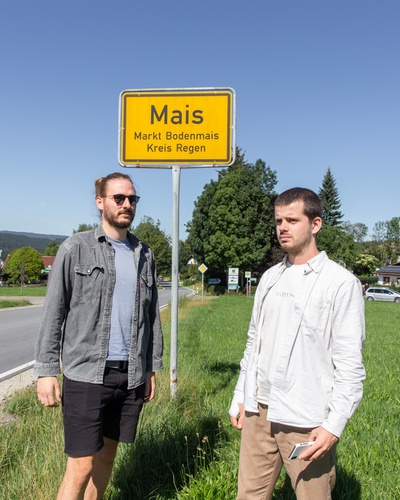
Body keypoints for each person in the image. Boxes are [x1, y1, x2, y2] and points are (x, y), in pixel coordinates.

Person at [33, 172, 164, 499]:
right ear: (100, 202)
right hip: (87, 374)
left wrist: (151, 367)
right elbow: (54, 311)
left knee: (106, 458)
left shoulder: (144, 254)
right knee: (80, 467)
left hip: (130, 375)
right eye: (119, 198)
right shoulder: (75, 248)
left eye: (132, 199)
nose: (127, 204)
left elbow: (152, 317)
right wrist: (46, 371)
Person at [229, 187, 365, 499]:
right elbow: (254, 343)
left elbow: (350, 365)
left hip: (305, 418)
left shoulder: (340, 283)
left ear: (315, 224)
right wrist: (240, 394)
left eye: (292, 220)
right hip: (258, 411)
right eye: (279, 221)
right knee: (248, 495)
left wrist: (333, 426)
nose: (283, 228)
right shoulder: (270, 278)